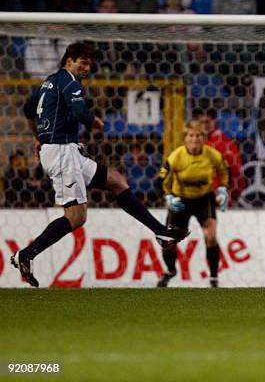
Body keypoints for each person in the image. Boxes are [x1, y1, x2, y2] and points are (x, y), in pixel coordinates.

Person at [11, 42, 187, 287]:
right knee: (76, 217)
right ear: (68, 61)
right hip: (62, 152)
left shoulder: (48, 82)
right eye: (82, 62)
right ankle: (26, 255)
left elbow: (28, 108)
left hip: (65, 151)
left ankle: (160, 231)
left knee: (116, 180)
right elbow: (79, 110)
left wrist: (38, 137)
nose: (86, 67)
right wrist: (93, 120)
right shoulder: (70, 81)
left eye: (89, 63)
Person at [157, 120, 230, 288]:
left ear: (204, 138)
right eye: (191, 135)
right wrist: (167, 197)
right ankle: (170, 271)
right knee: (168, 242)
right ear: (185, 138)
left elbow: (225, 170)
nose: (195, 139)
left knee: (210, 236)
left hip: (204, 199)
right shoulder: (176, 156)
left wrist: (223, 189)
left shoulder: (212, 154)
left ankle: (213, 278)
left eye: (198, 135)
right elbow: (160, 180)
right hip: (180, 200)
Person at [194, 108, 245, 205]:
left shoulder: (226, 145)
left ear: (215, 121)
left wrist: (232, 197)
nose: (204, 125)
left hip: (217, 200)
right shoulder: (193, 144)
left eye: (207, 121)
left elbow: (237, 175)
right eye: (201, 122)